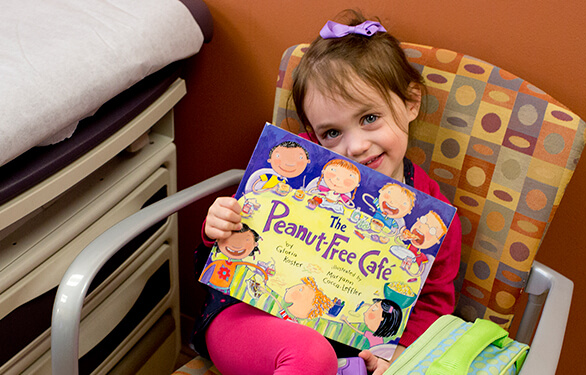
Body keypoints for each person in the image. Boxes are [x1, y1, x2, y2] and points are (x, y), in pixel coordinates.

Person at [193, 9, 462, 375]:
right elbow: (238, 243)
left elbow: (432, 303)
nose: (355, 147)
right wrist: (218, 227)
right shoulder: (295, 166)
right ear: (313, 134)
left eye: (369, 118)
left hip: (351, 349)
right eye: (332, 133)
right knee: (310, 354)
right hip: (249, 320)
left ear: (411, 102)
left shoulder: (431, 220)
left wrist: (395, 350)